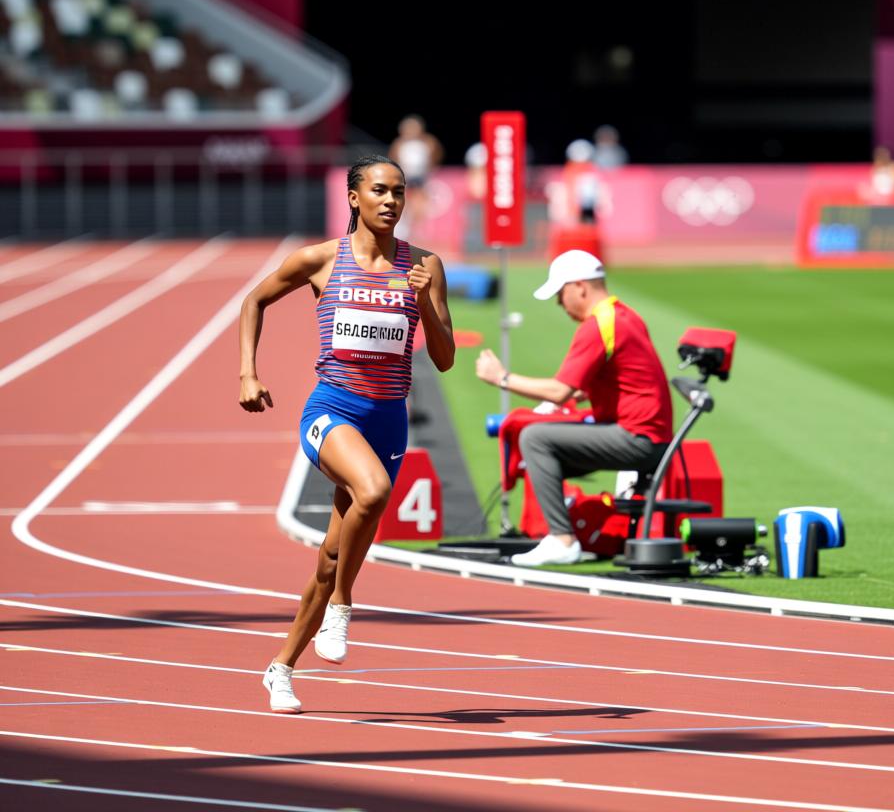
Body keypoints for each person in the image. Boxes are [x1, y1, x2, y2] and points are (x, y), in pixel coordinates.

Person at [239, 154, 455, 713]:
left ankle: (280, 667)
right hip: (331, 409)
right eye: (380, 190)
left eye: (400, 192)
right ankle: (343, 606)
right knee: (375, 492)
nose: (391, 201)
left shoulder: (425, 264)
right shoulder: (319, 261)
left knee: (331, 556)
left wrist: (427, 299)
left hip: (388, 417)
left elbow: (447, 358)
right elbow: (254, 300)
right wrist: (248, 371)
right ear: (354, 198)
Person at [474, 249, 673, 567]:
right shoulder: (624, 315)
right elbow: (609, 380)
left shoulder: (599, 326)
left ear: (579, 287)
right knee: (542, 447)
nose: (559, 303)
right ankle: (561, 531)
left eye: (560, 293)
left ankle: (563, 539)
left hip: (638, 439)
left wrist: (501, 378)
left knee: (534, 439)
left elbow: (559, 391)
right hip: (650, 435)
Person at [388, 114, 444, 240]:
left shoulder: (428, 141)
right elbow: (393, 156)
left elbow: (437, 153)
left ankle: (418, 228)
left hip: (421, 176)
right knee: (403, 200)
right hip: (405, 175)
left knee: (420, 202)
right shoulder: (400, 143)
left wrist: (432, 166)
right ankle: (403, 226)